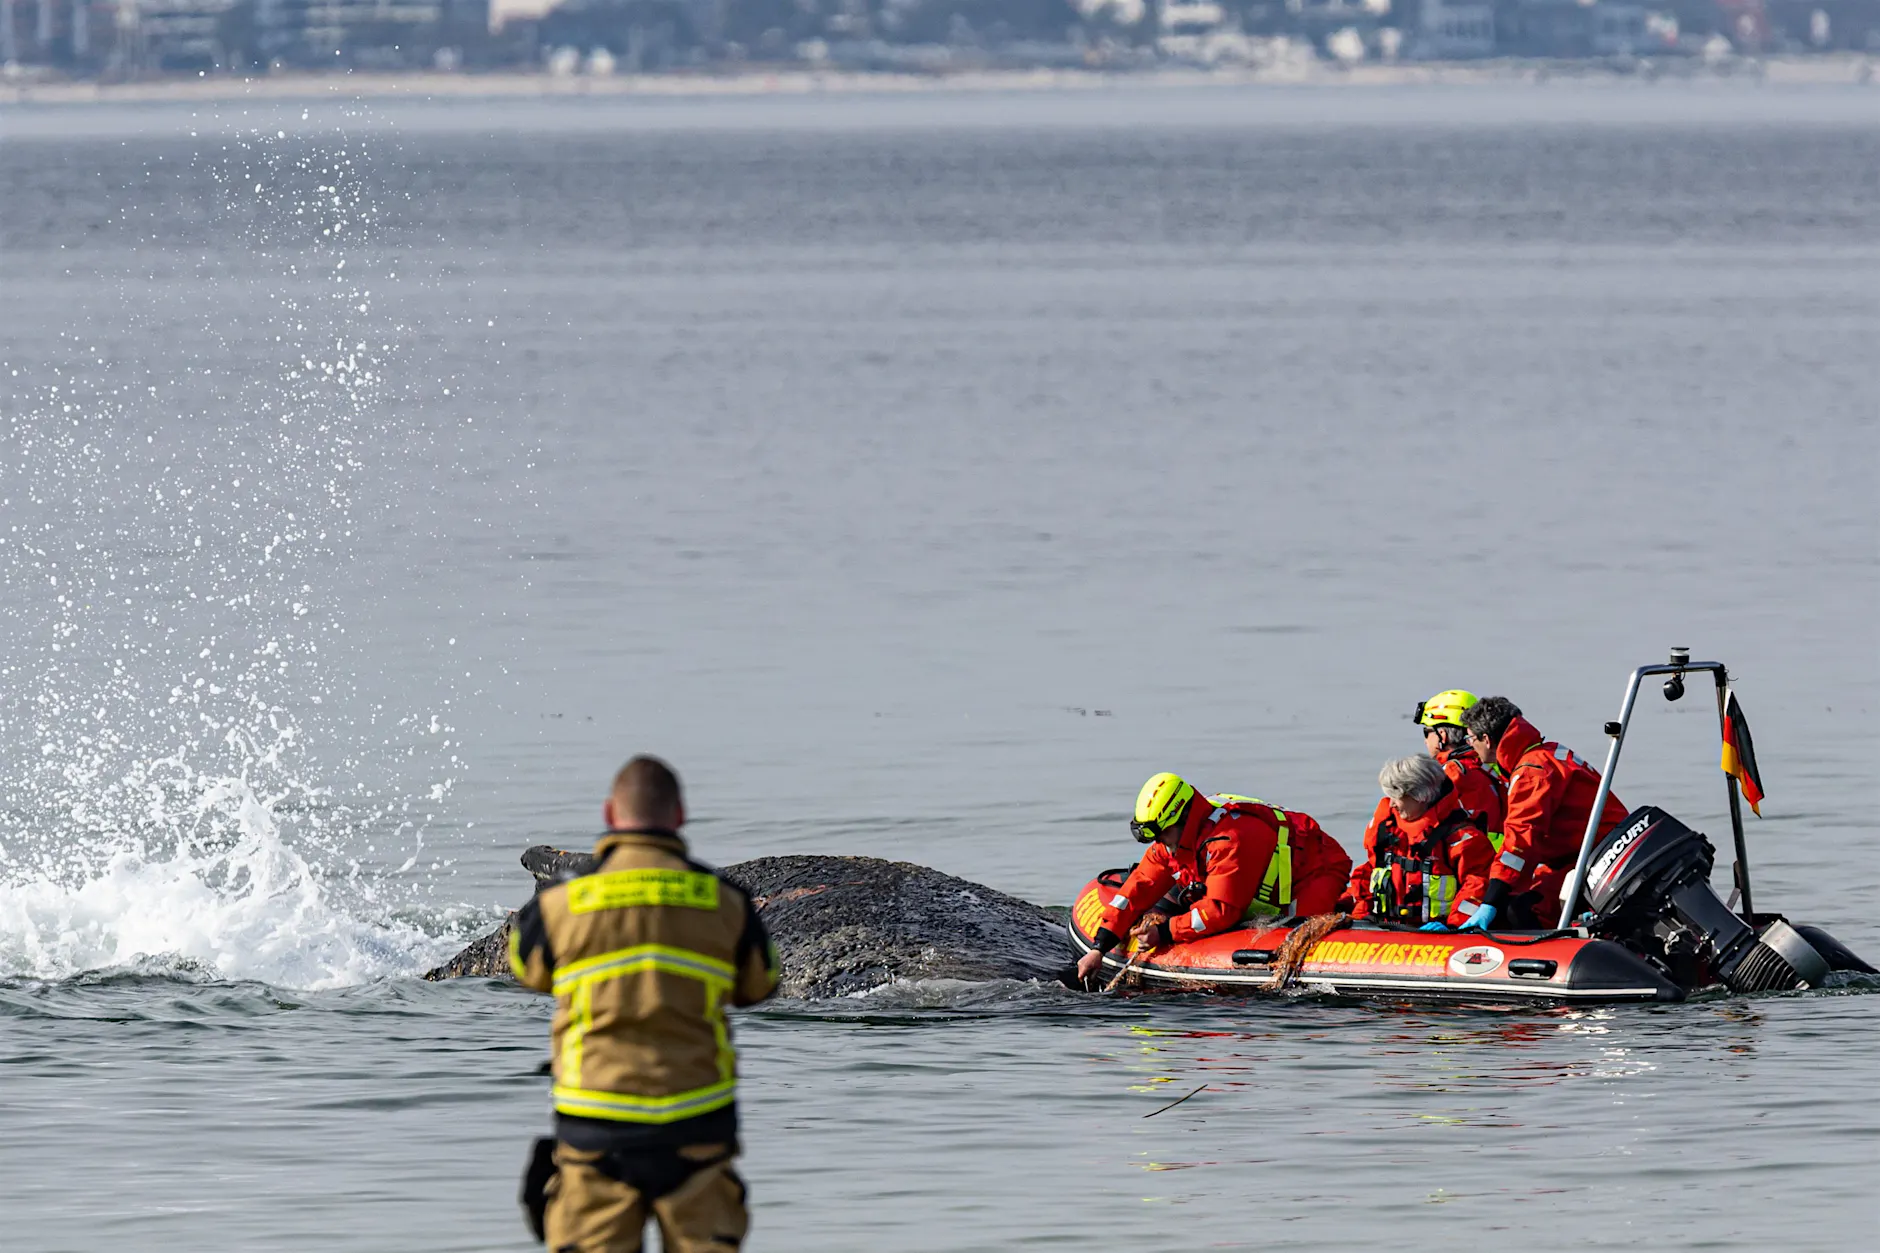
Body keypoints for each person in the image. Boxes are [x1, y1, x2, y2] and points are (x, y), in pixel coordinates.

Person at [510, 756, 781, 1253]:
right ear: (679, 814)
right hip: (696, 1126)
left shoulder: (563, 905)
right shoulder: (725, 901)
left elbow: (528, 970)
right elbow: (760, 986)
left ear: (611, 814)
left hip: (596, 1126)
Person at [1074, 772, 1352, 981]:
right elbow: (1134, 892)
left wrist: (1163, 932)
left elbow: (1221, 910)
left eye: (1162, 833)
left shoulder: (1227, 841)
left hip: (1314, 869)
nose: (1159, 841)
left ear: (1181, 819)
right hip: (1256, 878)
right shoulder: (1170, 844)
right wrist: (1100, 947)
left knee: (1301, 931)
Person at [1458, 698, 1629, 931]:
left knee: (1518, 910)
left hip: (1594, 859)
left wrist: (1490, 902)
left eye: (1471, 739)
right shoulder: (1546, 753)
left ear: (1486, 740)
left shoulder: (1531, 772)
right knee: (1522, 893)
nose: (1470, 746)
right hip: (1594, 853)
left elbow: (1520, 842)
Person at [1347, 754, 1493, 931]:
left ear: (1420, 796)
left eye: (1396, 797)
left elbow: (1477, 886)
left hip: (1440, 934)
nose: (1391, 804)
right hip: (1384, 929)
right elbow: (1369, 874)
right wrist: (1359, 918)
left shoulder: (1462, 838)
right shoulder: (1385, 829)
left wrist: (1455, 926)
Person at [1414, 689, 1506, 845]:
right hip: (1503, 855)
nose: (1425, 740)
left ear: (1442, 735)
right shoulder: (1495, 766)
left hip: (1470, 859)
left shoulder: (1449, 774)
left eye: (1427, 732)